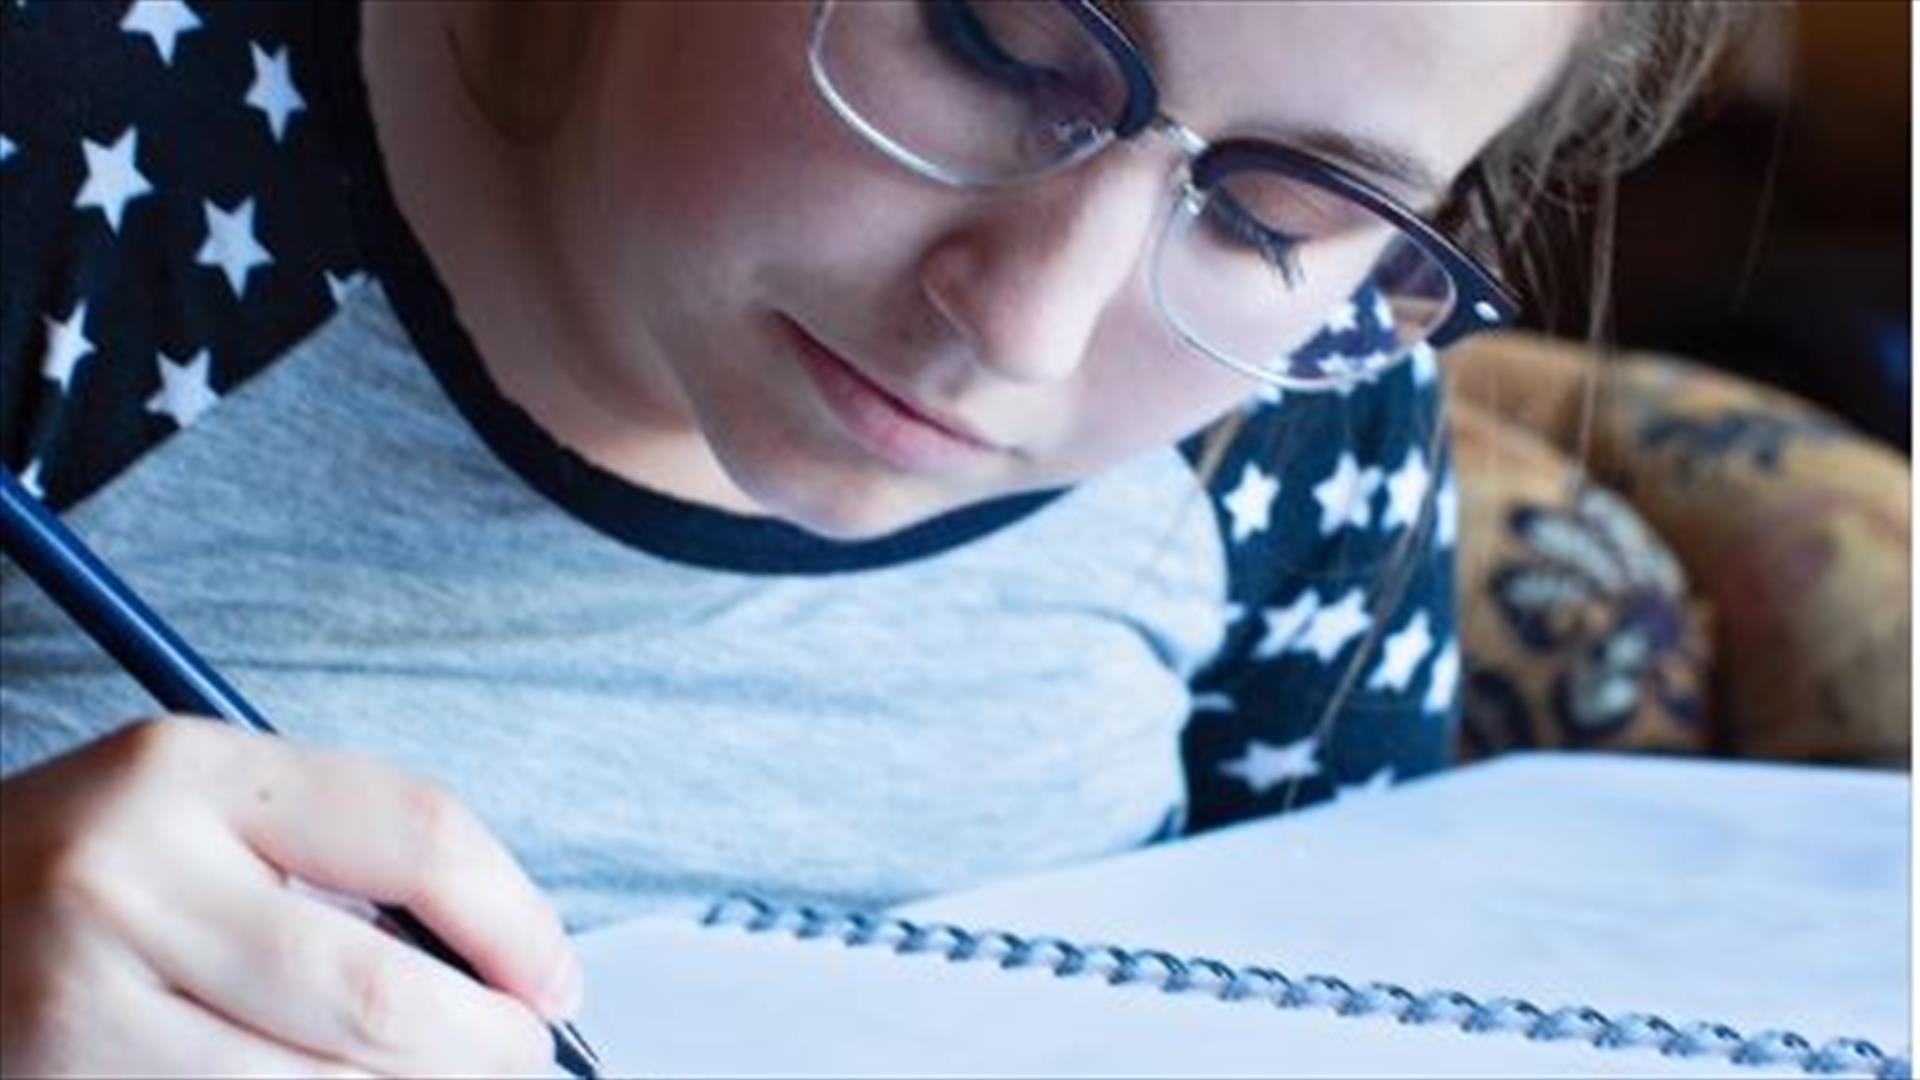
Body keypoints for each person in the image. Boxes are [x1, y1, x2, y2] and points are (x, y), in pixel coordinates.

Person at [0, 1, 1739, 1074]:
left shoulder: (1301, 418)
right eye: (990, 37)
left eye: (1284, 218)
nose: (1026, 330)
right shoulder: (68, 140)